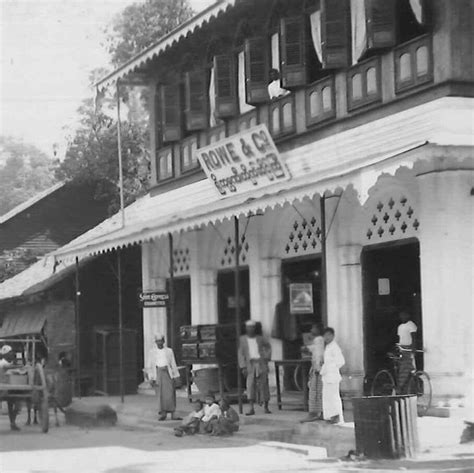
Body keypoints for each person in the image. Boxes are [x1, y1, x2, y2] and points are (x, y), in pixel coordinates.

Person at [238, 320, 272, 416]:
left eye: (252, 327)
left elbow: (268, 347)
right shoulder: (243, 339)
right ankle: (251, 408)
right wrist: (243, 366)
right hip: (250, 364)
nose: (250, 329)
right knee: (250, 385)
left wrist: (266, 357)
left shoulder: (260, 338)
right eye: (248, 327)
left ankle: (266, 406)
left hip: (261, 363)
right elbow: (240, 353)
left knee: (264, 384)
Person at [146, 334, 181, 421]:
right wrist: (151, 378)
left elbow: (173, 363)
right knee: (160, 394)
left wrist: (176, 376)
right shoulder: (152, 352)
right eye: (157, 341)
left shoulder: (169, 351)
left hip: (167, 373)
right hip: (158, 373)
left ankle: (173, 413)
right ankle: (163, 414)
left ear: (164, 341)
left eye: (161, 341)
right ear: (155, 342)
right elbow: (149, 366)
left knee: (170, 394)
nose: (159, 343)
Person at [300, 323, 325, 423]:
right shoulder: (319, 340)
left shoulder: (319, 339)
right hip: (319, 369)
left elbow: (318, 355)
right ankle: (321, 413)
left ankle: (313, 413)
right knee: (319, 392)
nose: (311, 330)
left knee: (315, 392)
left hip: (318, 370)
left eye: (313, 328)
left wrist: (317, 369)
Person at [320, 327, 345, 424]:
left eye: (328, 335)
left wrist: (330, 367)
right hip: (327, 376)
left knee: (334, 397)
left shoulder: (335, 347)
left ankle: (337, 416)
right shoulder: (328, 347)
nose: (326, 337)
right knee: (328, 397)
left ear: (332, 336)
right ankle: (331, 416)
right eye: (325, 335)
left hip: (333, 376)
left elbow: (341, 361)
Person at [0, 345, 20, 431]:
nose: (12, 354)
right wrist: (20, 367)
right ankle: (13, 423)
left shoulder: (10, 362)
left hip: (9, 387)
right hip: (2, 387)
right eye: (10, 352)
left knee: (13, 405)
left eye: (11, 352)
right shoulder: (2, 363)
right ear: (5, 355)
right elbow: (7, 367)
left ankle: (13, 423)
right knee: (12, 405)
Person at [397, 310, 418, 390]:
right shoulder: (400, 327)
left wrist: (413, 347)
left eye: (404, 315)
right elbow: (400, 338)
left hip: (408, 348)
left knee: (406, 368)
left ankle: (402, 387)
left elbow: (414, 337)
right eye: (401, 315)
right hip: (402, 348)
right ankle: (401, 386)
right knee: (402, 368)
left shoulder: (411, 325)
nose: (402, 317)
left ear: (408, 315)